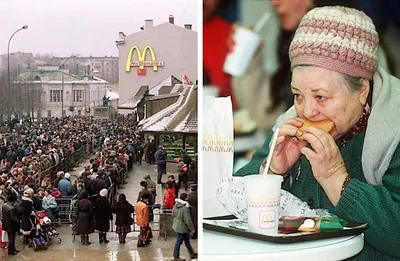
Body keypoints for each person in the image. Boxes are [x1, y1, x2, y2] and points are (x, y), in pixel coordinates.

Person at [235, 6, 400, 260]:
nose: (307, 111)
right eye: (298, 95)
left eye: (321, 97)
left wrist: (337, 180)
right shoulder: (291, 123)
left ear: (362, 91)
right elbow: (233, 202)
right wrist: (272, 172)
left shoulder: (394, 129)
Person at [172, 193, 197, 261]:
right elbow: (188, 220)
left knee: (187, 241)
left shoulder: (176, 205)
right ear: (185, 198)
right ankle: (176, 256)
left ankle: (192, 253)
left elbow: (173, 214)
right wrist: (192, 229)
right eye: (187, 197)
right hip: (182, 227)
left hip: (177, 225)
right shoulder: (185, 208)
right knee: (179, 241)